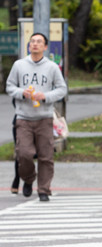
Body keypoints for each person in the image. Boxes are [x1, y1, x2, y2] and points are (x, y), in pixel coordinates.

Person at [5, 32, 67, 202]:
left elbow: (62, 89)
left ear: (45, 47)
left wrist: (45, 96)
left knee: (46, 156)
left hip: (45, 117)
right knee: (24, 154)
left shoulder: (52, 67)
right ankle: (29, 179)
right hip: (23, 118)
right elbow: (9, 87)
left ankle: (43, 190)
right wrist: (22, 93)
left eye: (39, 42)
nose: (35, 44)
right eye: (32, 41)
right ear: (29, 45)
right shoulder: (19, 65)